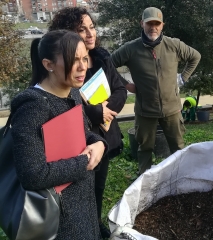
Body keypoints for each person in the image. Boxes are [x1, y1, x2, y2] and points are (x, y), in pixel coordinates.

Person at [10, 30, 107, 239]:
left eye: (84, 58)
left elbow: (83, 133)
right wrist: (85, 163)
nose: (83, 67)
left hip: (85, 207)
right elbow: (32, 175)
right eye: (74, 60)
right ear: (48, 64)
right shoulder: (33, 106)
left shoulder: (72, 92)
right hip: (59, 219)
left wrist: (99, 143)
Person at [48, 7, 128, 237]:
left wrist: (106, 111)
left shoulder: (103, 58)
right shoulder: (63, 63)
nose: (90, 33)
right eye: (81, 29)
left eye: (92, 27)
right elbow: (63, 101)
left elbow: (121, 90)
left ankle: (95, 222)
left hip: (105, 135)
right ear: (67, 34)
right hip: (78, 138)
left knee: (99, 185)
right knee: (80, 188)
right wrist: (95, 112)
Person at [111, 7, 201, 174]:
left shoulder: (173, 45)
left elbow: (195, 56)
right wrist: (125, 84)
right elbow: (109, 65)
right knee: (145, 148)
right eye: (149, 23)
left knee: (178, 147)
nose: (153, 27)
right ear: (142, 24)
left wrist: (183, 78)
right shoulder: (130, 49)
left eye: (157, 24)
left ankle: (181, 176)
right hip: (145, 111)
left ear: (162, 25)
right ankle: (143, 181)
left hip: (172, 109)